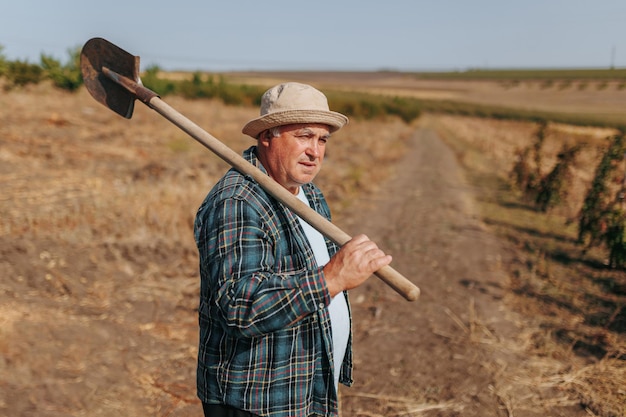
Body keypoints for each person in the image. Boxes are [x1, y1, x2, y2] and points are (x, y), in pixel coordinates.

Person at [194, 82, 392, 417]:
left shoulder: (309, 195)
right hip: (256, 400)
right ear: (267, 136)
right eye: (304, 135)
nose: (315, 151)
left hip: (303, 385)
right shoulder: (238, 203)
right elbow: (240, 305)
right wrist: (330, 278)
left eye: (323, 139)